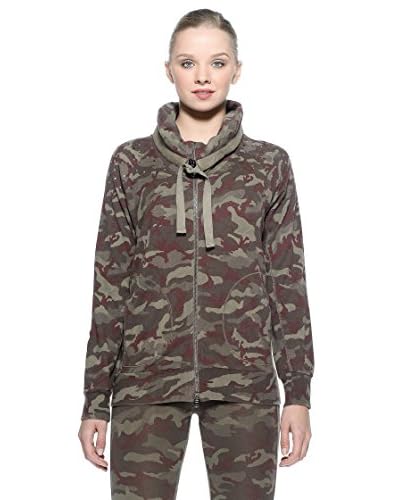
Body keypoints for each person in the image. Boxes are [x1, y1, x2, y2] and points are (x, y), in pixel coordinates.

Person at [78, 8, 315, 500]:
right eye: (188, 63)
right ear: (169, 69)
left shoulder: (269, 165)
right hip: (145, 384)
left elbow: (287, 281)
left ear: (237, 70)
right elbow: (109, 286)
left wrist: (298, 393)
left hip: (244, 385)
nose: (203, 76)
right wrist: (95, 400)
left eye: (217, 62)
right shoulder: (131, 163)